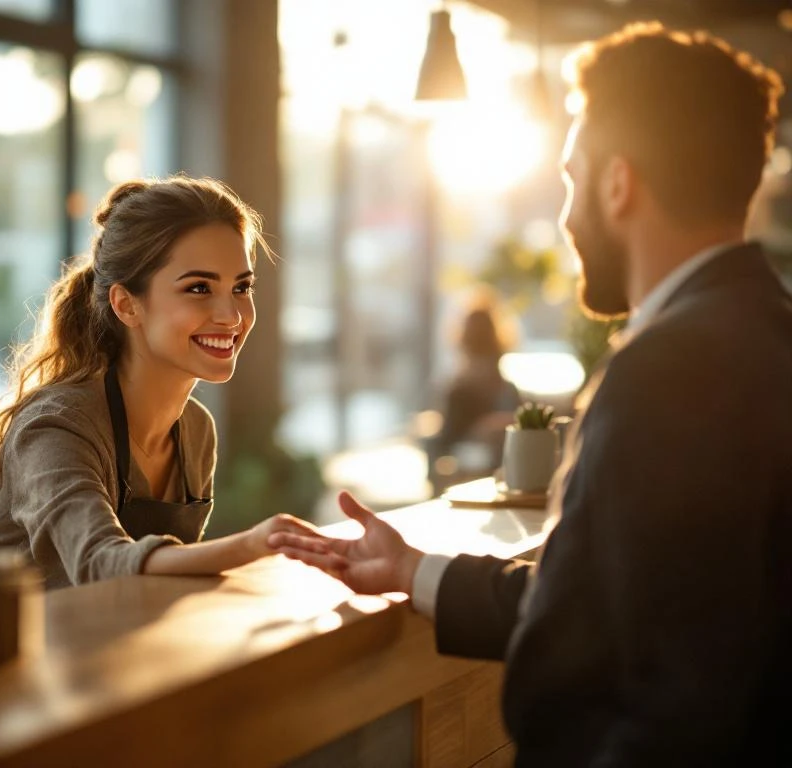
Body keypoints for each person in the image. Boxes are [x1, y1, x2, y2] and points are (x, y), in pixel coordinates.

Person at [270, 23, 791, 765]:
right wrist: (413, 569)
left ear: (618, 183)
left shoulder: (669, 370)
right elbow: (608, 606)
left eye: (572, 178)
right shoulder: (765, 335)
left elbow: (673, 694)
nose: (567, 214)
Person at [0, 176, 320, 588]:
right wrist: (258, 543)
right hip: (23, 652)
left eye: (241, 287)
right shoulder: (54, 428)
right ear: (126, 305)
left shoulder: (195, 430)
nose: (231, 314)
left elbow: (160, 590)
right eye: (199, 288)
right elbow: (100, 564)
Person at [426, 295, 520, 491]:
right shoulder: (458, 393)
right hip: (472, 481)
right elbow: (444, 444)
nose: (484, 364)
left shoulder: (506, 392)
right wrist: (478, 433)